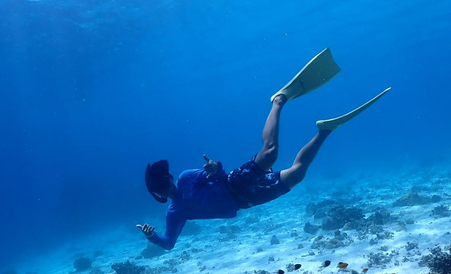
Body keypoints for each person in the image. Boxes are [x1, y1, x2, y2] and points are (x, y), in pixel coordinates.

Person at [138, 48, 390, 250]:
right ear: (156, 193)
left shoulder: (185, 179)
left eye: (166, 180)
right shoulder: (175, 213)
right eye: (161, 187)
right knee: (297, 176)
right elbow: (169, 244)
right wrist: (152, 237)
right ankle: (325, 130)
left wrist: (215, 167)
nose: (168, 187)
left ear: (170, 177)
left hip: (232, 184)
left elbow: (216, 174)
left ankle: (279, 100)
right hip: (245, 201)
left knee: (270, 153)